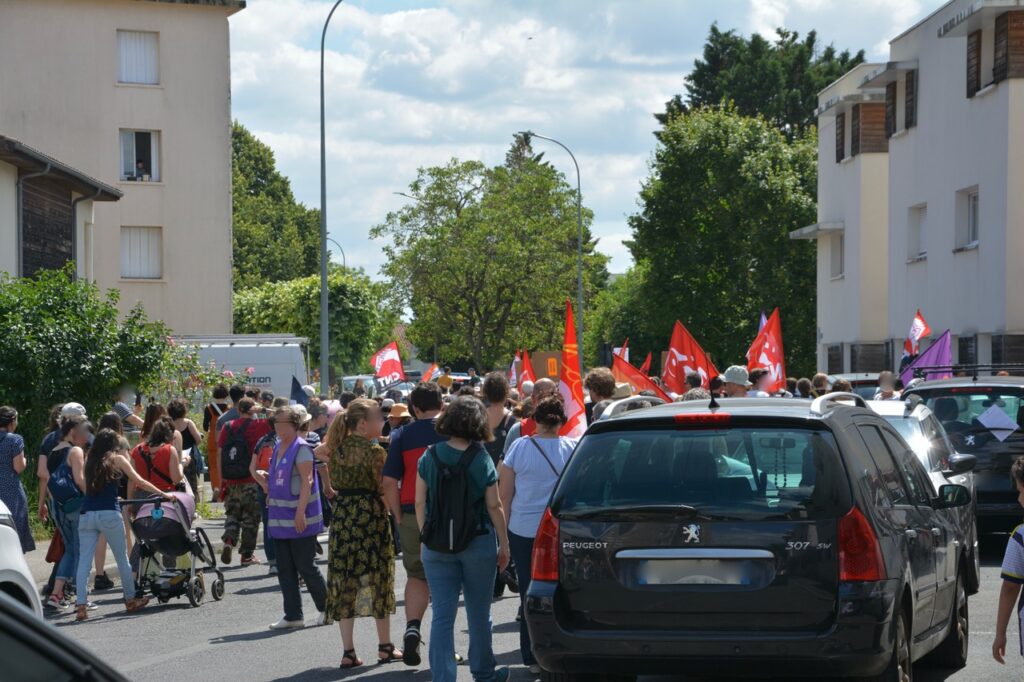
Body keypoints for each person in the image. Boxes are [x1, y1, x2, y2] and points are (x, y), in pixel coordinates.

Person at [415, 396, 510, 682]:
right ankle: (484, 673)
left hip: (436, 543)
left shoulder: (429, 456)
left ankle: (443, 677)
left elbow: (419, 502)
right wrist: (504, 543)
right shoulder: (481, 458)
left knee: (442, 615)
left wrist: (424, 535)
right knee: (479, 613)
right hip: (477, 540)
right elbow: (494, 505)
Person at [319, 399, 401, 668]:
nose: (382, 422)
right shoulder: (375, 451)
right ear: (364, 424)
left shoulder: (337, 449)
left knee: (346, 580)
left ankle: (348, 651)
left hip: (343, 516)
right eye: (378, 418)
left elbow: (320, 451)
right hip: (370, 516)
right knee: (379, 577)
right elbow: (383, 488)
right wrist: (394, 514)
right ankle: (385, 646)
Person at [498, 396, 575, 674]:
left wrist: (502, 538)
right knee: (563, 590)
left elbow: (504, 495)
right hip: (559, 531)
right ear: (561, 421)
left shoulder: (519, 447)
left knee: (529, 594)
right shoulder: (573, 448)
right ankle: (563, 650)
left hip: (523, 529)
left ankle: (531, 656)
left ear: (535, 420)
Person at [74, 430, 172, 621]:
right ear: (113, 445)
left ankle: (81, 606)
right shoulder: (117, 460)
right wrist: (164, 494)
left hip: (87, 514)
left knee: (84, 561)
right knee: (122, 559)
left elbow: (91, 487)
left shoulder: (89, 460)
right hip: (109, 514)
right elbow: (140, 482)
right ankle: (130, 599)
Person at [381, 382, 446, 666]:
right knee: (446, 577)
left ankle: (412, 627)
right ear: (441, 404)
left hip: (410, 512)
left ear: (414, 408)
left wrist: (396, 514)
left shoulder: (401, 435)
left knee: (417, 575)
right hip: (448, 513)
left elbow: (388, 482)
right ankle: (443, 646)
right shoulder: (452, 430)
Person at [264, 405, 328, 629]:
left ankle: (327, 608)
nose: (276, 425)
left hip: (299, 518)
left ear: (293, 424)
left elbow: (307, 481)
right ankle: (293, 616)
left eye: (280, 422)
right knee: (285, 568)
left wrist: (300, 512)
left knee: (305, 565)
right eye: (275, 421)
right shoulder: (278, 446)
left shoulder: (301, 448)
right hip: (280, 518)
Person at [45, 415, 92, 612]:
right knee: (81, 551)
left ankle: (56, 594)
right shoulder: (75, 451)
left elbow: (47, 480)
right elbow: (80, 479)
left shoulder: (53, 451)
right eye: (83, 431)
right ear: (73, 431)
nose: (86, 435)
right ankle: (81, 597)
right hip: (76, 507)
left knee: (70, 550)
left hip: (59, 507)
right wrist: (91, 498)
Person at [218, 397, 270, 566]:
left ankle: (229, 541)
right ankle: (246, 555)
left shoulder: (227, 426)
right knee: (251, 519)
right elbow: (280, 417)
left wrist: (221, 479)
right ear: (253, 409)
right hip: (251, 479)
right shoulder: (259, 425)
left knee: (232, 514)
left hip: (231, 479)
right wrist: (263, 410)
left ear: (238, 410)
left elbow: (220, 453)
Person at [994, 457, 1024, 664]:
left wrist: (1000, 634)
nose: (1019, 499)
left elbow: (1010, 587)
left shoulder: (1021, 536)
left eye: (1021, 491)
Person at [0, 407, 34, 553]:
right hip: (10, 492)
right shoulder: (14, 439)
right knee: (14, 533)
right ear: (12, 421)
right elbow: (18, 467)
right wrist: (25, 460)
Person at [251, 419, 280, 574]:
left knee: (268, 524)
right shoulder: (284, 441)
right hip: (281, 489)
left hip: (263, 487)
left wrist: (264, 486)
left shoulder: (261, 441)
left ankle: (273, 563)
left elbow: (252, 468)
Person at [503, 378, 558, 453]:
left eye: (552, 396)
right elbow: (506, 458)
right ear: (533, 398)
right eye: (542, 397)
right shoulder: (518, 429)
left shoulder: (568, 427)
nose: (547, 401)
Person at [168, 399, 203, 500]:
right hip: (188, 457)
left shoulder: (168, 424)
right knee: (191, 484)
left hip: (173, 456)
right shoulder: (188, 423)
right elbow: (198, 439)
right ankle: (192, 504)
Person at [204, 384, 231, 500]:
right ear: (226, 395)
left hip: (212, 440)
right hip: (226, 440)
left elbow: (205, 426)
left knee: (213, 466)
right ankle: (225, 489)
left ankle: (216, 487)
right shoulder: (229, 409)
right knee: (226, 464)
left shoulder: (208, 408)